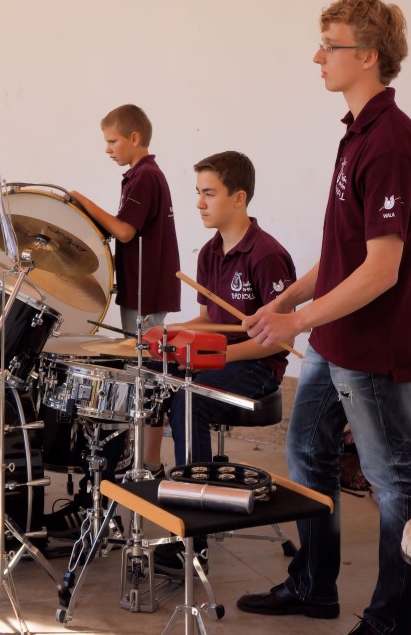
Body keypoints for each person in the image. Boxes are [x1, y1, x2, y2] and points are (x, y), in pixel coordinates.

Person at [236, 0, 411, 635]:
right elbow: (342, 254)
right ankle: (314, 585)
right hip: (333, 337)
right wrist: (286, 301)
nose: (317, 57)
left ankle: (389, 621)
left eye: (330, 46)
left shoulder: (390, 142)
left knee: (395, 482)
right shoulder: (357, 133)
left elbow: (381, 270)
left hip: (369, 343)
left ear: (367, 56)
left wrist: (297, 322)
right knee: (306, 452)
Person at [152, 150, 296, 578]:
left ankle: (193, 539)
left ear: (239, 197)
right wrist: (170, 332)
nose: (199, 203)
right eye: (198, 192)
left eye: (209, 193)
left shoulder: (266, 255)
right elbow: (208, 320)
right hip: (219, 360)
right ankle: (146, 483)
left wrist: (217, 356)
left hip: (257, 368)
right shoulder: (209, 252)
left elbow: (283, 340)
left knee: (189, 399)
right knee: (151, 377)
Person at [46, 105, 180, 537]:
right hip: (141, 290)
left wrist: (83, 201)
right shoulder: (141, 176)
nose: (107, 149)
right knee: (141, 375)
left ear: (135, 138)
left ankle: (146, 465)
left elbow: (125, 231)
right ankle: (140, 463)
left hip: (146, 294)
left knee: (144, 378)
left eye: (112, 141)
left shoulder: (145, 176)